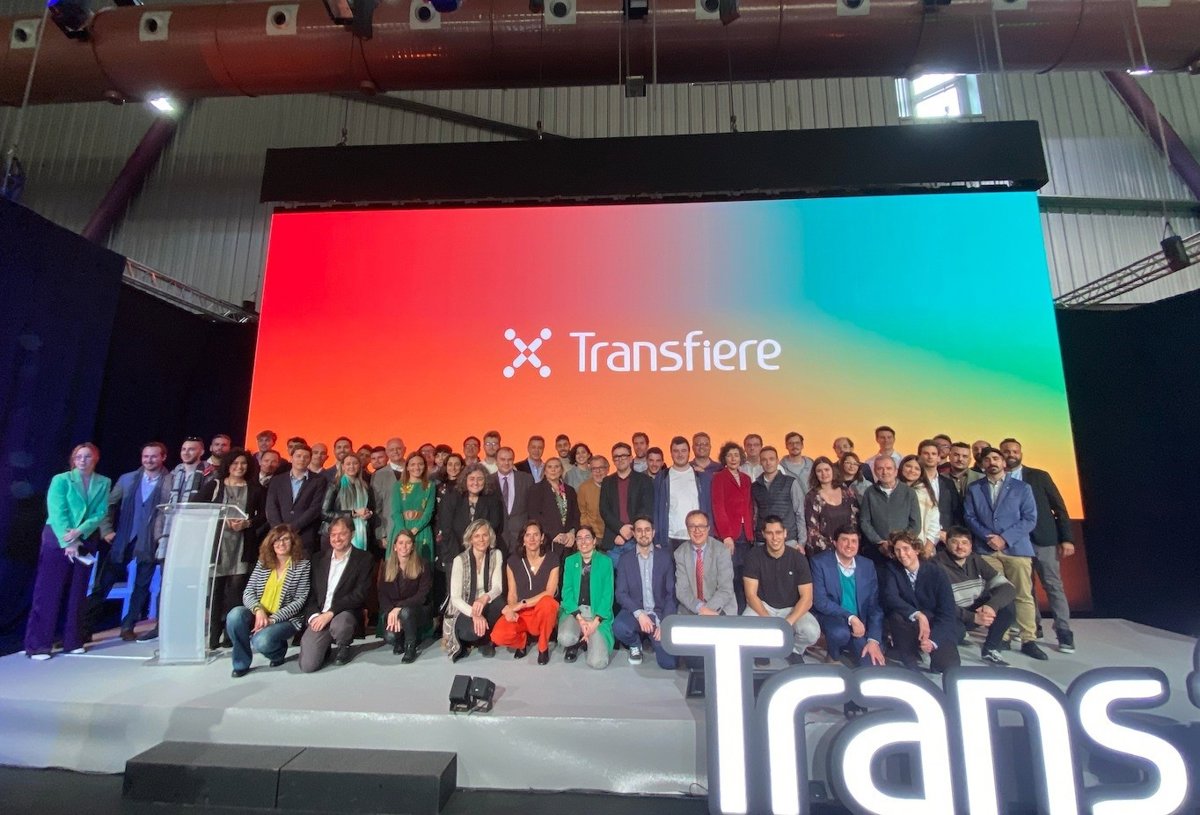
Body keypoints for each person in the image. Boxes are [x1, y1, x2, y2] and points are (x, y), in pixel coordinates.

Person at [24, 444, 112, 660]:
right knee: (48, 592)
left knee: (78, 593)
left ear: (95, 459)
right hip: (58, 537)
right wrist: (69, 540)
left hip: (85, 537)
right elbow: (57, 512)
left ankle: (73, 641)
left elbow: (100, 512)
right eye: (78, 456)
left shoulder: (103, 482)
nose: (82, 460)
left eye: (87, 456)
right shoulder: (61, 480)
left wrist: (80, 531)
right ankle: (39, 645)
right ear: (73, 459)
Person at [84, 442, 172, 643]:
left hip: (151, 541)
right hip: (124, 539)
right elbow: (108, 504)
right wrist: (106, 530)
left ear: (163, 457)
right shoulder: (128, 479)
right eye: (146, 456)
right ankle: (83, 628)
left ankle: (128, 626)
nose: (149, 460)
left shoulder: (171, 481)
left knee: (142, 586)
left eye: (154, 456)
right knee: (102, 584)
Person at [964, 447, 1046, 660]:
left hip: (1016, 549)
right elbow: (970, 517)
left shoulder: (1022, 487)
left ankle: (1028, 639)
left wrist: (1005, 538)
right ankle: (1003, 636)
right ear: (982, 464)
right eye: (987, 459)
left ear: (1003, 462)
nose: (991, 462)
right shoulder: (974, 488)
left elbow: (1029, 518)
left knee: (1023, 594)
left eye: (996, 458)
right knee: (997, 595)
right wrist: (988, 537)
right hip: (987, 550)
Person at [999, 438, 1076, 653]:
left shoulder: (1039, 476)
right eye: (1006, 451)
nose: (1011, 454)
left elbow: (1059, 507)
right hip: (1015, 541)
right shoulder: (998, 480)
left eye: (1015, 451)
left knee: (1053, 585)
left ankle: (1064, 631)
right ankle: (1033, 627)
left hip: (1043, 540)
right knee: (1024, 587)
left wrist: (1067, 538)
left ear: (1021, 453)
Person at [198, 449, 267, 650]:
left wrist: (248, 523)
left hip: (242, 544)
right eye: (235, 463)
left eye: (243, 463)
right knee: (216, 591)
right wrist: (219, 518)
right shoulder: (215, 485)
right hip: (218, 544)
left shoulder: (255, 489)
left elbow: (264, 515)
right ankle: (213, 635)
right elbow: (198, 507)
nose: (239, 467)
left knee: (236, 592)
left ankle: (231, 635)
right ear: (228, 465)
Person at [227, 525, 311, 677]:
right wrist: (258, 610)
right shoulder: (263, 563)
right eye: (276, 540)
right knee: (235, 615)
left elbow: (300, 600)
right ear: (271, 543)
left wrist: (272, 620)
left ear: (293, 542)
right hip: (260, 614)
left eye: (285, 539)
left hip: (286, 619)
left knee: (261, 641)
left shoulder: (302, 565)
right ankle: (241, 663)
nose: (281, 543)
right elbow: (248, 591)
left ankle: (278, 653)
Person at [742, 516, 821, 666]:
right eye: (770, 533)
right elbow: (751, 596)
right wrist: (770, 621)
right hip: (763, 606)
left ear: (785, 533)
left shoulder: (798, 558)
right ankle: (761, 649)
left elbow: (807, 598)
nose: (774, 538)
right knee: (745, 626)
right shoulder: (753, 556)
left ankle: (794, 650)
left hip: (791, 608)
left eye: (778, 532)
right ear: (764, 534)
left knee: (811, 632)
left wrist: (788, 622)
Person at [298, 516, 373, 672]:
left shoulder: (364, 559)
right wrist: (314, 616)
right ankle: (324, 646)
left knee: (341, 625)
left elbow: (360, 594)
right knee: (308, 666)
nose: (337, 539)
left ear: (352, 534)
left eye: (342, 534)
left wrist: (331, 612)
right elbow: (311, 593)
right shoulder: (318, 559)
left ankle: (343, 646)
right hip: (320, 614)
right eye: (333, 534)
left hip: (344, 612)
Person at [934, 526, 1017, 666]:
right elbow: (939, 605)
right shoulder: (935, 564)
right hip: (950, 614)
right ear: (946, 544)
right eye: (954, 542)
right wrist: (972, 617)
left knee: (1008, 607)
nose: (960, 547)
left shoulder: (975, 560)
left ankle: (990, 650)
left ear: (971, 546)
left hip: (973, 609)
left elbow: (1008, 587)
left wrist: (991, 606)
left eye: (964, 543)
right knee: (957, 633)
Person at [881, 531, 961, 673]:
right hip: (908, 621)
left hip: (934, 622)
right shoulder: (892, 569)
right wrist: (918, 615)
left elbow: (947, 612)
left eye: (906, 549)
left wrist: (932, 641)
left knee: (949, 666)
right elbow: (890, 597)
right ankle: (909, 658)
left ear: (916, 550)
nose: (902, 554)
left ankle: (931, 648)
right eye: (897, 550)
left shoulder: (937, 572)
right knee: (896, 616)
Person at [809, 526, 886, 667]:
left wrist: (873, 640)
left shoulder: (867, 566)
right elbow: (820, 601)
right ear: (834, 542)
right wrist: (851, 617)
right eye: (845, 540)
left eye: (854, 541)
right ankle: (833, 654)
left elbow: (874, 606)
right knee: (840, 633)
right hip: (833, 618)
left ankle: (851, 648)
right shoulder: (819, 562)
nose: (850, 545)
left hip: (860, 624)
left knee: (873, 665)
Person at [490, 521, 562, 665]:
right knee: (497, 636)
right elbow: (512, 594)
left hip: (541, 612)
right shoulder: (513, 561)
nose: (532, 539)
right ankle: (521, 643)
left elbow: (549, 592)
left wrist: (522, 604)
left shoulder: (552, 559)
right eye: (528, 535)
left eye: (536, 535)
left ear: (542, 538)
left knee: (549, 603)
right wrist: (512, 609)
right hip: (522, 614)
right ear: (523, 539)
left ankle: (543, 647)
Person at [613, 515, 677, 668]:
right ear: (634, 534)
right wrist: (639, 614)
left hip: (658, 614)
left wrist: (665, 623)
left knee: (669, 663)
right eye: (639, 530)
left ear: (653, 533)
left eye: (647, 530)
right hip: (635, 612)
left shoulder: (665, 558)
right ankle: (635, 644)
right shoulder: (625, 560)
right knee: (619, 627)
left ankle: (652, 638)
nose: (643, 534)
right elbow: (621, 593)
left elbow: (671, 594)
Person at [445, 519, 505, 662]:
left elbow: (497, 588)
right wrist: (474, 614)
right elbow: (455, 598)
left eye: (485, 535)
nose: (481, 540)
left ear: (490, 537)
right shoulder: (460, 560)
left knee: (500, 603)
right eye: (477, 536)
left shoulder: (496, 554)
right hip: (465, 607)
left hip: (485, 603)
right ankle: (469, 641)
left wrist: (484, 598)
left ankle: (485, 641)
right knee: (471, 632)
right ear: (470, 539)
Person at [557, 526, 615, 669]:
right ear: (576, 542)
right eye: (579, 538)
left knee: (598, 663)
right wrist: (581, 620)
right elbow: (567, 592)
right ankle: (576, 641)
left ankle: (588, 640)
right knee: (566, 637)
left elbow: (607, 596)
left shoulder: (605, 562)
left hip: (596, 614)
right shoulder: (570, 561)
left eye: (587, 537)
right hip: (576, 612)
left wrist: (594, 624)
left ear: (594, 541)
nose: (583, 542)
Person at [437, 464, 505, 577]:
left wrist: (478, 549)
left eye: (480, 479)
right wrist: (459, 556)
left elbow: (494, 526)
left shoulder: (492, 500)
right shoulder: (452, 497)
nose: (476, 483)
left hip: (483, 553)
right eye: (472, 479)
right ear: (465, 480)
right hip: (455, 552)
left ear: (485, 481)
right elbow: (446, 528)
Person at [378, 529, 433, 662]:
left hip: (417, 610)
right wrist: (391, 611)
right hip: (393, 610)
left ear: (413, 546)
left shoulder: (423, 565)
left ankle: (410, 646)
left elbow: (422, 596)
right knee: (390, 637)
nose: (404, 546)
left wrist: (399, 608)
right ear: (395, 547)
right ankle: (400, 639)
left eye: (408, 543)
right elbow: (382, 595)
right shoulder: (386, 566)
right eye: (401, 543)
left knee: (406, 612)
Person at [711, 441, 754, 612]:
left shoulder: (746, 479)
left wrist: (751, 532)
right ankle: (732, 613)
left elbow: (749, 506)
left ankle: (745, 612)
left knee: (745, 576)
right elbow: (718, 507)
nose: (733, 458)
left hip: (746, 534)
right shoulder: (719, 477)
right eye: (729, 455)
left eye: (736, 455)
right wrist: (726, 536)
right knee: (731, 576)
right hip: (729, 535)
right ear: (724, 458)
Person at [265, 444, 328, 555]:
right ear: (291, 458)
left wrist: (293, 527)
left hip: (304, 535)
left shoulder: (319, 480)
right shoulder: (277, 480)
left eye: (306, 457)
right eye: (298, 456)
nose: (302, 459)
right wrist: (280, 529)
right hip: (278, 536)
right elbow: (271, 506)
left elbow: (315, 508)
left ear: (310, 459)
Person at [673, 509, 737, 617]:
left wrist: (706, 610)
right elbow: (682, 591)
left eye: (701, 526)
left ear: (708, 528)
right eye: (692, 526)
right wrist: (700, 608)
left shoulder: (722, 551)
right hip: (692, 608)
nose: (697, 530)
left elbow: (726, 589)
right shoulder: (680, 553)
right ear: (687, 529)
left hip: (721, 606)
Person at [654, 436, 714, 550]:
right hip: (670, 538)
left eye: (683, 451)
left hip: (696, 536)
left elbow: (709, 508)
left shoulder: (702, 477)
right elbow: (656, 508)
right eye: (676, 451)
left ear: (689, 452)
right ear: (671, 453)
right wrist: (657, 538)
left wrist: (709, 535)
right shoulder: (662, 478)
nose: (680, 454)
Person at [599, 442, 654, 565]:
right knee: (614, 576)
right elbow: (604, 510)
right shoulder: (607, 481)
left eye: (623, 455)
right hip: (614, 540)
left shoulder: (644, 480)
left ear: (630, 458)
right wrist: (620, 529)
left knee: (637, 575)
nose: (620, 459)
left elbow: (646, 508)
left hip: (637, 538)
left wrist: (629, 531)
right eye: (616, 457)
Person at [803, 456, 859, 555]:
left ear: (833, 471)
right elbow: (813, 531)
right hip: (824, 553)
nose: (824, 473)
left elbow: (855, 521)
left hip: (849, 549)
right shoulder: (811, 497)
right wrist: (834, 547)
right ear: (815, 474)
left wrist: (847, 545)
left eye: (827, 469)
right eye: (819, 471)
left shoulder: (847, 493)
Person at [319, 452, 374, 551]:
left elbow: (370, 508)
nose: (351, 466)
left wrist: (368, 514)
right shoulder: (335, 485)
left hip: (361, 532)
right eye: (348, 464)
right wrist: (353, 513)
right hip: (335, 535)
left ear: (359, 466)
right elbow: (325, 513)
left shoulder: (365, 487)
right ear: (343, 466)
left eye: (355, 463)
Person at [751, 446, 805, 547]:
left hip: (788, 540)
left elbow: (800, 513)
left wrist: (802, 542)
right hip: (762, 541)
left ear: (777, 461)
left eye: (771, 459)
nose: (768, 463)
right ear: (760, 462)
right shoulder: (755, 486)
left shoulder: (791, 482)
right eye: (764, 460)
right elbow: (755, 515)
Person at [526, 457, 580, 552]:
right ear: (544, 471)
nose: (553, 470)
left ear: (561, 470)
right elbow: (534, 515)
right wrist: (553, 534)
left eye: (557, 467)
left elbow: (576, 514)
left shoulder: (570, 490)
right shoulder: (535, 489)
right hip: (548, 541)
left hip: (568, 542)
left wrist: (572, 533)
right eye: (549, 467)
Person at [392, 452, 436, 566]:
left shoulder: (430, 486)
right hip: (401, 528)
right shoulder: (398, 486)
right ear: (407, 467)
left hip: (421, 530)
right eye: (413, 464)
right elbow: (396, 512)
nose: (417, 467)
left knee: (421, 566)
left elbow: (429, 512)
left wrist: (415, 530)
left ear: (425, 466)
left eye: (420, 464)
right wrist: (403, 533)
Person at [492, 446, 534, 555]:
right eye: (502, 459)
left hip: (521, 536)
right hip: (497, 537)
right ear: (496, 461)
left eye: (509, 459)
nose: (506, 463)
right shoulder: (489, 481)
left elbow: (532, 508)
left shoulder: (526, 479)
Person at [897, 454, 940, 557]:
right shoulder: (893, 490)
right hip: (896, 546)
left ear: (921, 472)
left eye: (917, 468)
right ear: (901, 467)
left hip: (921, 547)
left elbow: (934, 523)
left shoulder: (926, 493)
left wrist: (928, 548)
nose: (912, 470)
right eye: (908, 466)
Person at [918, 438, 963, 534]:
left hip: (944, 535)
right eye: (926, 453)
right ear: (919, 457)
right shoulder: (913, 483)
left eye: (934, 454)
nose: (930, 457)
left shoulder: (948, 483)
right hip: (919, 535)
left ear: (939, 458)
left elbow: (956, 512)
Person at [370, 437, 407, 552]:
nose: (395, 452)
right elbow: (376, 507)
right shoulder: (379, 475)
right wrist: (380, 534)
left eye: (398, 448)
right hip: (390, 528)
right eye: (391, 450)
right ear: (387, 452)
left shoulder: (414, 470)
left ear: (405, 449)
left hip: (414, 526)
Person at [577, 455, 607, 538]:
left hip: (614, 535)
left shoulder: (615, 485)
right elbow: (582, 514)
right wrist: (588, 535)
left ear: (607, 469)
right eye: (594, 469)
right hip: (594, 535)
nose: (598, 471)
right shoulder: (583, 488)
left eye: (601, 468)